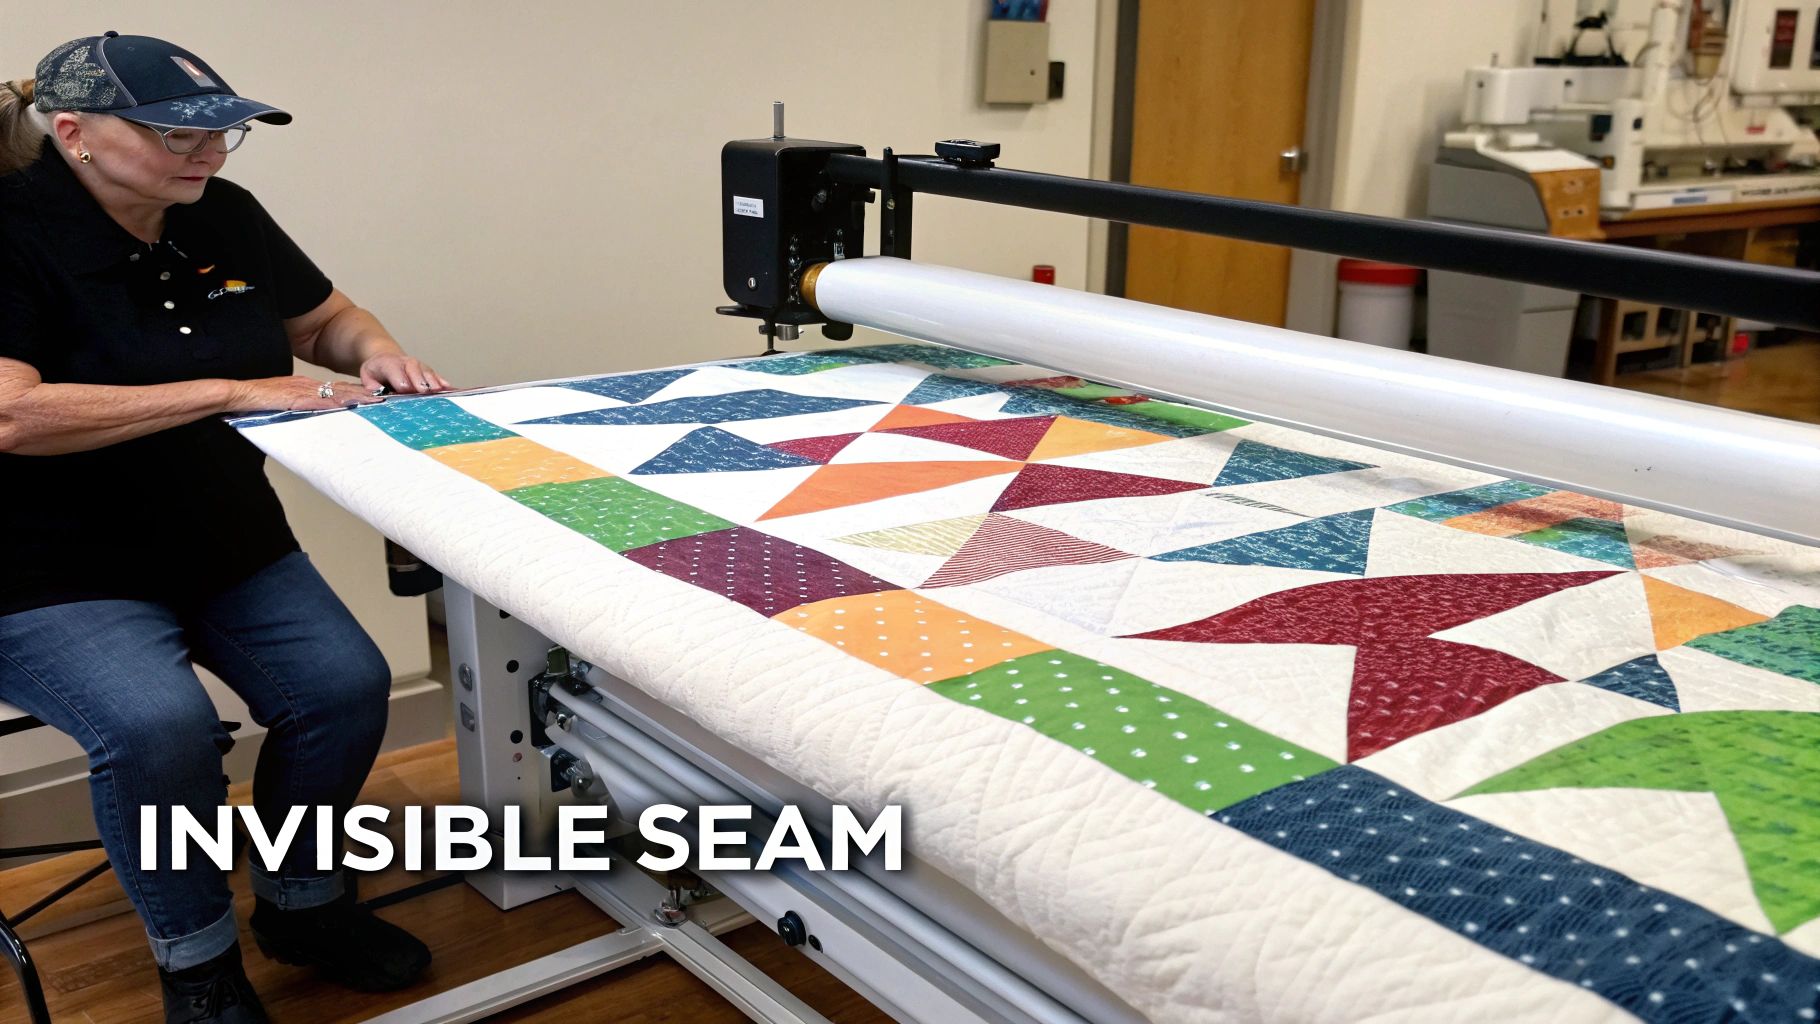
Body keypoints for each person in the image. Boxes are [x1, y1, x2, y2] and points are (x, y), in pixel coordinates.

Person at [0, 32, 449, 1024]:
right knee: (158, 728)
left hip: (220, 536)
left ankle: (302, 905)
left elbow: (326, 320)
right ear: (72, 132)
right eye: (176, 132)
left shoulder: (224, 215)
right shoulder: (11, 231)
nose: (208, 150)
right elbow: (11, 414)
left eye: (223, 130)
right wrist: (235, 389)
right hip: (45, 564)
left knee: (344, 685)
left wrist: (380, 353)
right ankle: (197, 966)